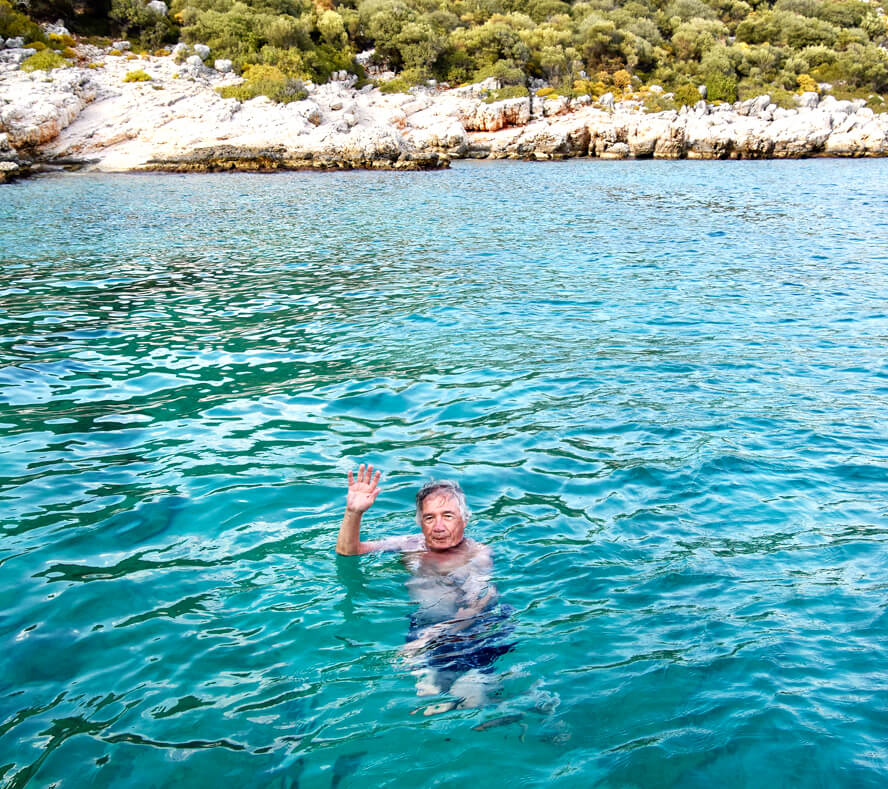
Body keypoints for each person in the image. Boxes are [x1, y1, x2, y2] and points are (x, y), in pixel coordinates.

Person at [336, 464, 514, 714]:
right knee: (424, 697)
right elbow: (349, 552)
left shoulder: (476, 555)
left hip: (472, 632)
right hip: (425, 627)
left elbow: (478, 603)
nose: (438, 526)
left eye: (448, 516)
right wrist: (353, 513)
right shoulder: (411, 545)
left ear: (464, 519)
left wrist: (428, 639)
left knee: (475, 703)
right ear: (420, 522)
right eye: (430, 517)